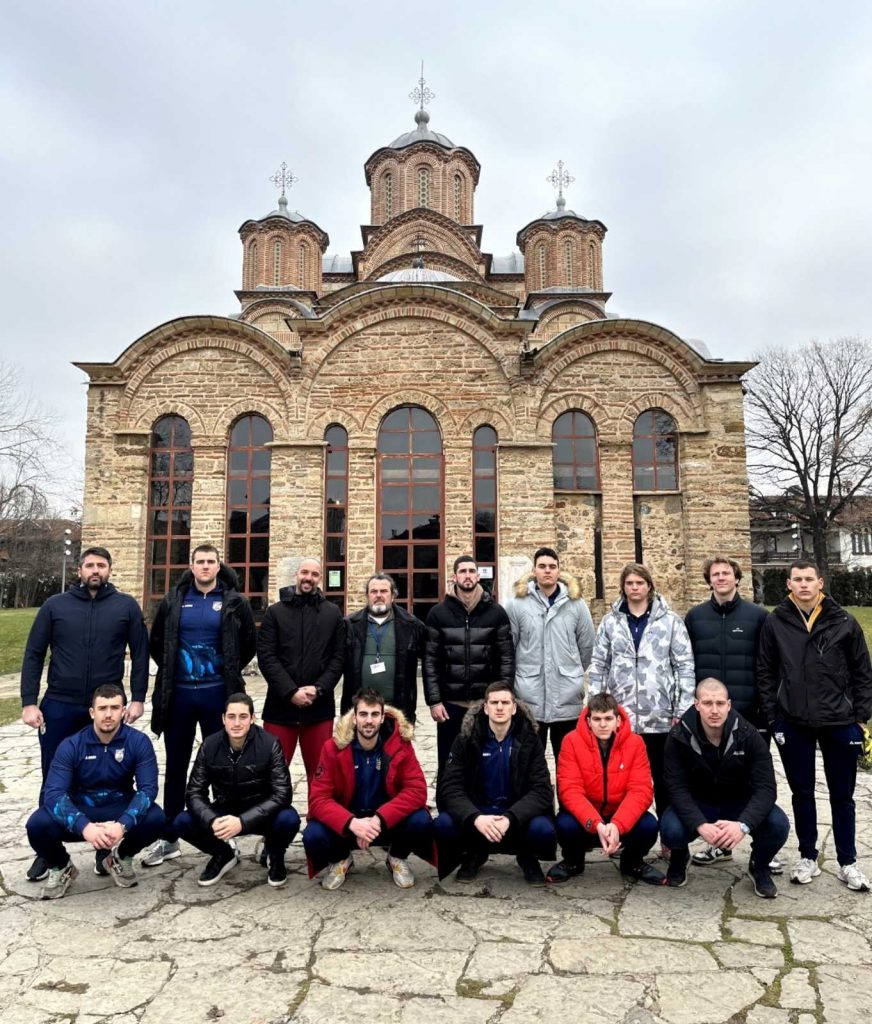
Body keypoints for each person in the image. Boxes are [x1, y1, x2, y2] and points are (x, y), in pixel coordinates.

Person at [20, 546, 149, 882]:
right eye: (89, 565)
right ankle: (47, 853)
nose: (95, 570)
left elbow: (140, 652)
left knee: (111, 776)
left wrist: (137, 698)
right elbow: (34, 653)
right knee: (54, 777)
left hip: (106, 704)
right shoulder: (55, 606)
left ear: (109, 570)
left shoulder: (125, 606)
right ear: (80, 570)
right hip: (61, 703)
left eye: (101, 565)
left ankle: (105, 849)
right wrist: (29, 701)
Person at [757, 560, 872, 892]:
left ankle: (848, 861)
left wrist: (860, 716)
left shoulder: (844, 622)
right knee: (802, 793)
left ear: (820, 583)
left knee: (843, 796)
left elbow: (863, 672)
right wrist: (773, 716)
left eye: (809, 579)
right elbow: (765, 671)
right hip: (793, 720)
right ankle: (808, 855)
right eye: (798, 579)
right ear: (789, 584)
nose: (804, 585)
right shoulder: (776, 623)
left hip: (840, 721)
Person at [142, 545, 257, 867]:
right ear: (191, 567)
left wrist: (227, 670)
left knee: (222, 767)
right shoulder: (174, 600)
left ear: (219, 566)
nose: (205, 567)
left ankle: (223, 832)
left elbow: (248, 644)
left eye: (211, 562)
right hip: (179, 695)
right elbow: (158, 644)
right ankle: (168, 837)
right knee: (176, 766)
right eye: (200, 562)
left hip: (217, 695)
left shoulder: (234, 602)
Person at [25, 684, 165, 900]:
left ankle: (121, 857)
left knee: (156, 818)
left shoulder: (138, 742)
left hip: (118, 808)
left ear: (123, 711)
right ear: (92, 712)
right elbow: (53, 793)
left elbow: (148, 789)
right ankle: (61, 866)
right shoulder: (71, 745)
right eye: (102, 708)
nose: (108, 714)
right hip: (81, 808)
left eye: (114, 707)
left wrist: (123, 824)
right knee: (36, 825)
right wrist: (84, 826)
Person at [685, 555, 775, 870]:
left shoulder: (758, 616)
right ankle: (720, 844)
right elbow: (687, 664)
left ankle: (763, 847)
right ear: (708, 580)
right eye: (715, 574)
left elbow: (767, 664)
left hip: (748, 710)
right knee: (715, 782)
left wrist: (765, 706)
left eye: (726, 573)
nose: (721, 578)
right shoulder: (695, 617)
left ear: (736, 578)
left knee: (755, 782)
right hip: (709, 715)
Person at [661, 679, 790, 897]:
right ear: (696, 704)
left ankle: (760, 865)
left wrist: (743, 825)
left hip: (739, 804)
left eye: (720, 703)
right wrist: (699, 824)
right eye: (708, 703)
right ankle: (679, 857)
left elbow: (766, 788)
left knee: (778, 825)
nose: (714, 710)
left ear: (729, 705)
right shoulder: (678, 736)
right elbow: (675, 788)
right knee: (670, 829)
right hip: (699, 804)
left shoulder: (749, 735)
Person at [588, 562, 695, 816]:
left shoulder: (670, 622)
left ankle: (669, 835)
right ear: (623, 588)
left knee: (664, 778)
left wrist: (682, 710)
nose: (634, 588)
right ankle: (626, 831)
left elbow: (684, 667)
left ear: (649, 586)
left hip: (660, 715)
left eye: (639, 583)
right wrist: (595, 707)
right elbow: (599, 665)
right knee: (623, 780)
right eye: (629, 583)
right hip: (621, 717)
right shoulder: (610, 623)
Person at [303, 687, 434, 890]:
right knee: (313, 834)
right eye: (363, 714)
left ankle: (396, 857)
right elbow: (318, 799)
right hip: (348, 827)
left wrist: (380, 819)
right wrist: (351, 823)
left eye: (374, 714)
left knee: (422, 820)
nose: (369, 721)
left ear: (383, 717)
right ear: (354, 718)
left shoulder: (400, 744)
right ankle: (341, 859)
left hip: (385, 824)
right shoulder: (332, 747)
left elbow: (417, 790)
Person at [434, 683, 556, 885]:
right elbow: (450, 787)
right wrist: (475, 817)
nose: (500, 707)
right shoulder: (466, 737)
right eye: (494, 702)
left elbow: (542, 790)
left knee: (543, 830)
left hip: (515, 817)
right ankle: (473, 854)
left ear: (514, 707)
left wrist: (511, 817)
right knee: (443, 824)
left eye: (505, 702)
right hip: (479, 814)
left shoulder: (529, 739)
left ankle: (527, 857)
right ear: (485, 707)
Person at [173, 692, 299, 887]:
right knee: (182, 821)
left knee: (289, 819)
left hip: (261, 812)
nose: (237, 723)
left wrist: (242, 822)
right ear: (223, 719)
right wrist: (211, 819)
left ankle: (275, 854)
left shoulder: (269, 744)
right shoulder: (210, 745)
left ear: (252, 718)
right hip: (225, 810)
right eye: (231, 717)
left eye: (243, 717)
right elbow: (194, 793)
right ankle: (223, 854)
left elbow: (283, 793)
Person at [547, 692, 665, 885]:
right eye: (597, 719)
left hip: (619, 815)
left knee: (649, 826)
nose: (603, 724)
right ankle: (573, 862)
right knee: (563, 825)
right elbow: (570, 790)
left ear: (618, 721)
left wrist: (618, 824)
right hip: (588, 818)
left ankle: (632, 862)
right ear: (588, 721)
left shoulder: (635, 743)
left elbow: (641, 791)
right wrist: (597, 824)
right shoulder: (571, 741)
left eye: (608, 718)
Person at [257, 557, 345, 784]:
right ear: (296, 574)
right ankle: (274, 819)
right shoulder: (274, 613)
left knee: (320, 775)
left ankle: (318, 818)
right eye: (305, 572)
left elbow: (338, 657)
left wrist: (319, 688)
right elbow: (267, 657)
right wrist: (290, 692)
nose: (309, 578)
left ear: (320, 579)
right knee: (273, 774)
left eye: (315, 574)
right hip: (280, 707)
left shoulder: (332, 613)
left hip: (319, 709)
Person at [423, 555, 515, 773]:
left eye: (471, 571)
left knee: (484, 761)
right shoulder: (438, 614)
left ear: (478, 576)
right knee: (449, 761)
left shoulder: (496, 613)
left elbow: (506, 659)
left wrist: (503, 697)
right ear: (454, 576)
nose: (467, 575)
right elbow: (430, 661)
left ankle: (481, 804)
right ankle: (446, 804)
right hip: (450, 704)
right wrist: (434, 701)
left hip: (484, 703)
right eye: (462, 571)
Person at [506, 546, 595, 759]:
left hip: (566, 698)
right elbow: (510, 647)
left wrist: (570, 672)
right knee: (528, 764)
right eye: (542, 566)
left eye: (552, 567)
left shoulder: (576, 605)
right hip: (529, 698)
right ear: (534, 570)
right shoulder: (516, 605)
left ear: (559, 571)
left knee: (569, 764)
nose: (548, 571)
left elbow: (587, 645)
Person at [342, 573, 427, 723]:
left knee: (396, 747)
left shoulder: (412, 625)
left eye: (384, 591)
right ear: (367, 595)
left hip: (398, 709)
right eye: (374, 591)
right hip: (359, 710)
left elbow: (430, 661)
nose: (379, 595)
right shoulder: (349, 625)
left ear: (393, 596)